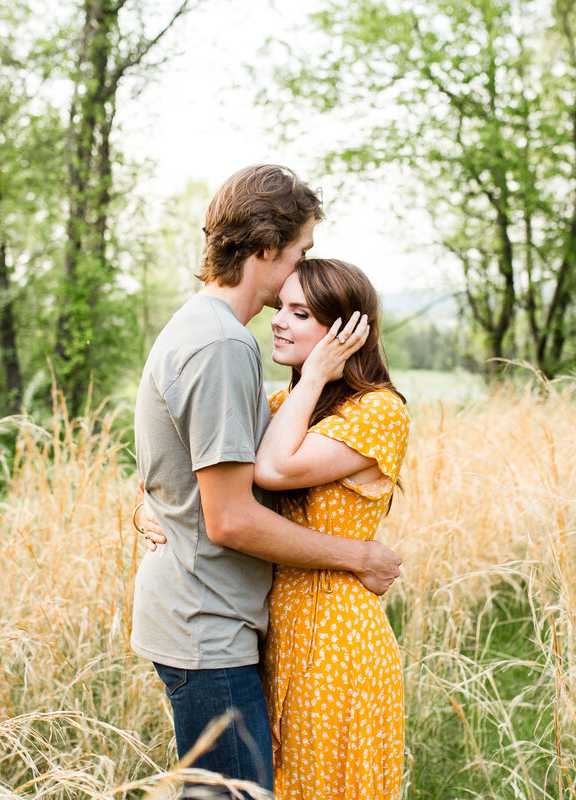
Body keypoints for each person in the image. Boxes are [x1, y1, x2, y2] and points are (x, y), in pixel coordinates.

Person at [131, 165, 403, 797]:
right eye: (301, 251)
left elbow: (177, 464)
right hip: (208, 623)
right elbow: (229, 516)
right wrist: (359, 555)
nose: (300, 270)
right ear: (264, 247)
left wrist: (157, 505)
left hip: (231, 621)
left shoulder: (201, 331)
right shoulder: (223, 345)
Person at [254, 258, 409, 800]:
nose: (279, 321)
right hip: (278, 633)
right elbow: (206, 472)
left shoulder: (379, 410)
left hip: (339, 642)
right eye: (281, 308)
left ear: (346, 331)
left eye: (300, 313)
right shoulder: (284, 405)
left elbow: (273, 470)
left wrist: (317, 372)